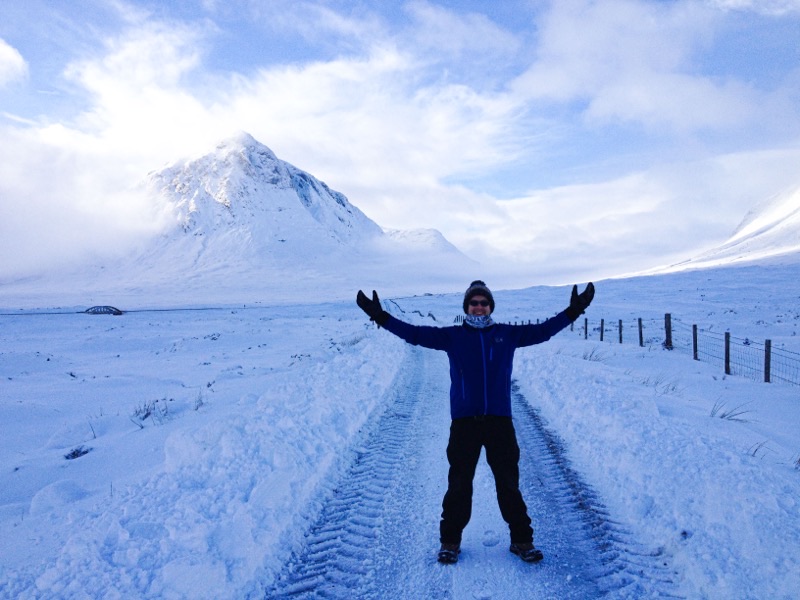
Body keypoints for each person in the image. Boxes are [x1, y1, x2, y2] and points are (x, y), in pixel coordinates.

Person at [356, 279, 595, 564]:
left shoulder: (507, 335)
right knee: (459, 484)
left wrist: (574, 310)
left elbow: (543, 331)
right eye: (474, 303)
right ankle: (450, 542)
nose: (479, 307)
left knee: (508, 484)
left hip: (499, 422)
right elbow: (414, 334)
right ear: (467, 307)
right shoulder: (452, 336)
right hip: (465, 423)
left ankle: (522, 540)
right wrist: (379, 316)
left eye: (484, 303)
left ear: (490, 306)